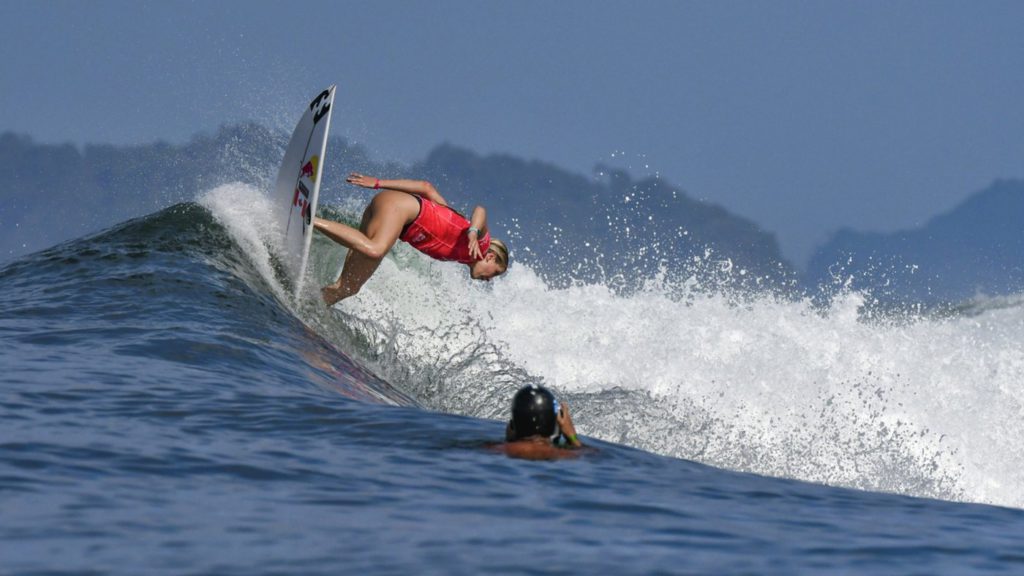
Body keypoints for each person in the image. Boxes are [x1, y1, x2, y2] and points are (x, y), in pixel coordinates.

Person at [314, 173, 510, 306]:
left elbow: (427, 188)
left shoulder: (457, 238)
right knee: (376, 249)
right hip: (400, 207)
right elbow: (481, 211)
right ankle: (309, 218)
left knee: (348, 287)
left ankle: (310, 302)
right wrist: (474, 231)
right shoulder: (481, 245)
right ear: (491, 258)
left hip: (391, 214)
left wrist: (378, 184)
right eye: (494, 274)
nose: (488, 280)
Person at [494, 385, 587, 460]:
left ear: (513, 423)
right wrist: (572, 437)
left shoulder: (498, 449)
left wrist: (509, 439)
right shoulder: (566, 455)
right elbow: (587, 457)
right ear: (555, 423)